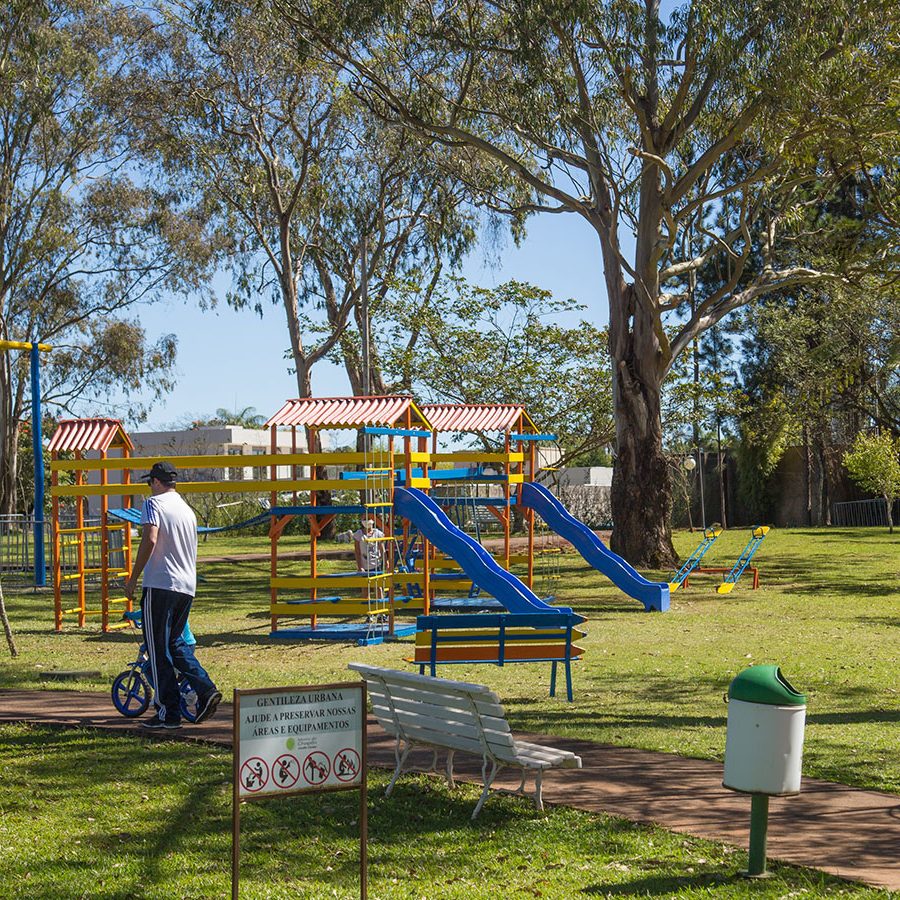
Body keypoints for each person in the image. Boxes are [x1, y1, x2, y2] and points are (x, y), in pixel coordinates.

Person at [124, 461, 221, 729]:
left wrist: (133, 578)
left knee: (157, 649)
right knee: (176, 645)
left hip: (160, 584)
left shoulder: (153, 504)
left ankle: (169, 712)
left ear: (156, 482)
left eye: (149, 483)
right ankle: (205, 689)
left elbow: (150, 539)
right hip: (186, 586)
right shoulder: (187, 510)